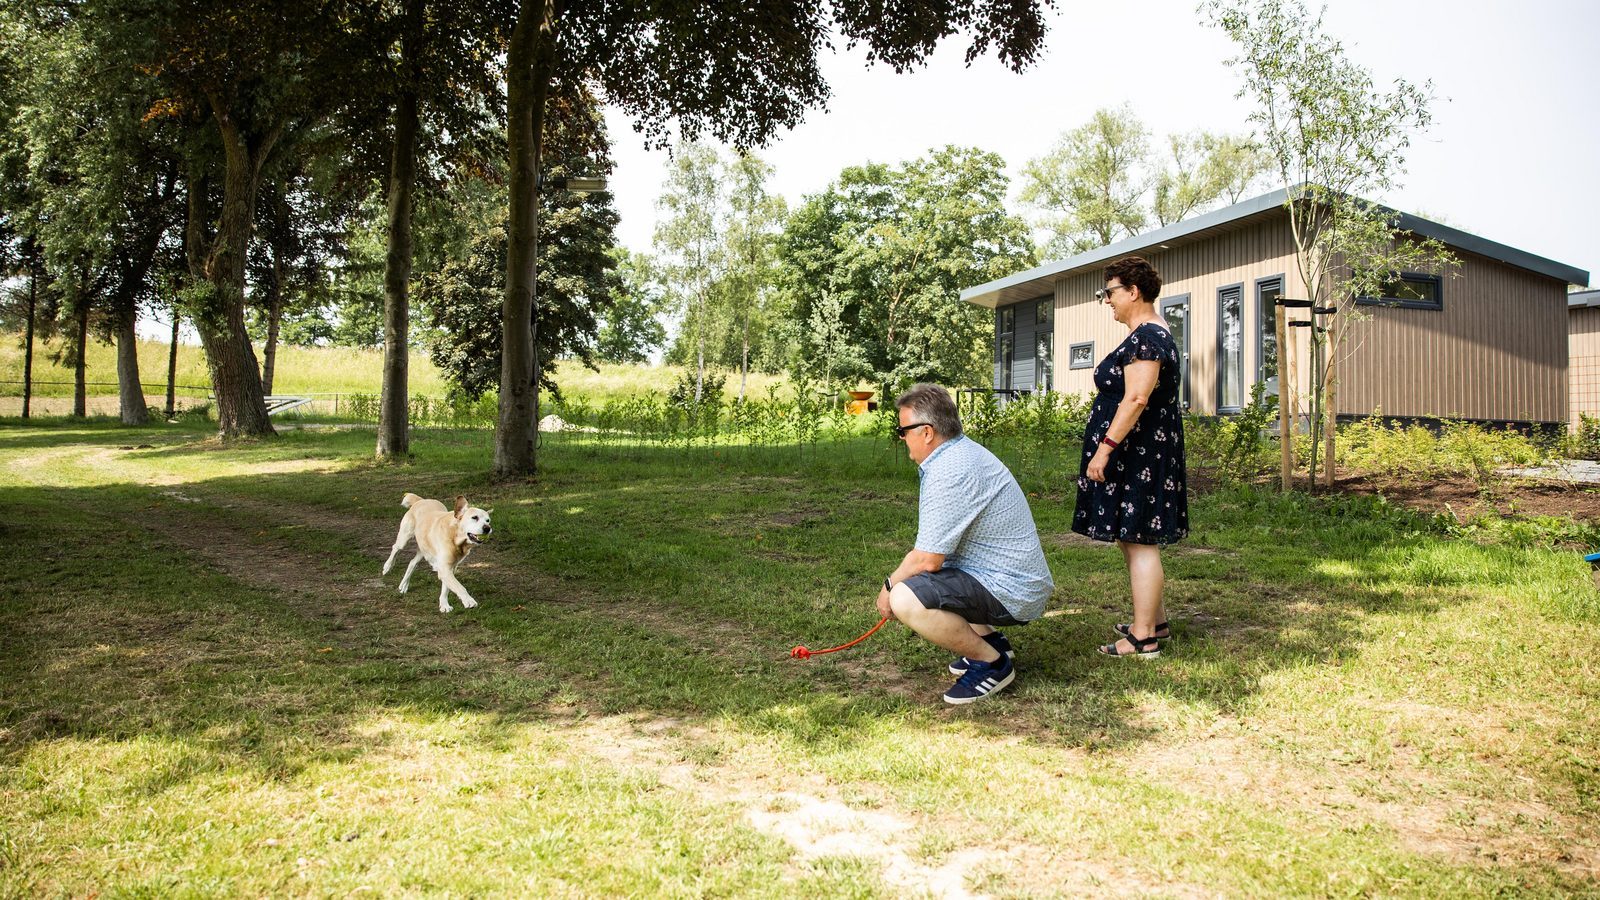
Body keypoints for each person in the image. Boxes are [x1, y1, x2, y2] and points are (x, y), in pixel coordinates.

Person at [876, 383, 1055, 704]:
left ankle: (992, 663)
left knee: (905, 596)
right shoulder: (961, 452)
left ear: (927, 432)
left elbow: (927, 560)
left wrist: (889, 586)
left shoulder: (950, 470)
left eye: (903, 431)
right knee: (932, 576)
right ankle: (993, 642)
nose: (902, 439)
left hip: (1012, 589)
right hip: (1011, 579)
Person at [1074, 255, 1189, 659]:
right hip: (1136, 450)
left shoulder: (1148, 338)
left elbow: (1137, 397)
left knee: (1139, 539)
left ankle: (1144, 637)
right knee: (1131, 535)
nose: (1107, 300)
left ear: (1133, 291)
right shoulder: (1147, 334)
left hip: (1137, 452)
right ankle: (1153, 621)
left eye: (1110, 292)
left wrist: (1105, 448)